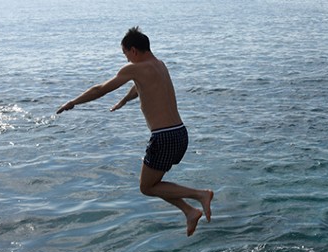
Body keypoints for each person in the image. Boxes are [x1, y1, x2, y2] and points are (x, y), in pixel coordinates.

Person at [56, 27, 213, 236]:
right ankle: (189, 211)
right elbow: (141, 87)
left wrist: (73, 102)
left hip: (164, 137)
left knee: (147, 187)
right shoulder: (159, 66)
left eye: (126, 55)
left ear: (133, 50)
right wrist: (124, 100)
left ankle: (200, 195)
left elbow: (100, 89)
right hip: (179, 134)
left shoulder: (134, 69)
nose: (127, 60)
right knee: (155, 184)